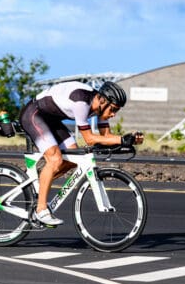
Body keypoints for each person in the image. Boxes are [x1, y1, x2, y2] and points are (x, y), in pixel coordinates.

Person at [19, 80, 143, 226]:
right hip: (34, 115)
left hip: (51, 119)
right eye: (113, 109)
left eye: (116, 111)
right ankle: (41, 209)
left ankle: (38, 182)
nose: (114, 114)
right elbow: (89, 139)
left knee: (72, 159)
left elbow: (106, 136)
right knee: (55, 159)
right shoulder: (82, 103)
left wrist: (129, 140)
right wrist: (122, 140)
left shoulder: (101, 107)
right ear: (103, 100)